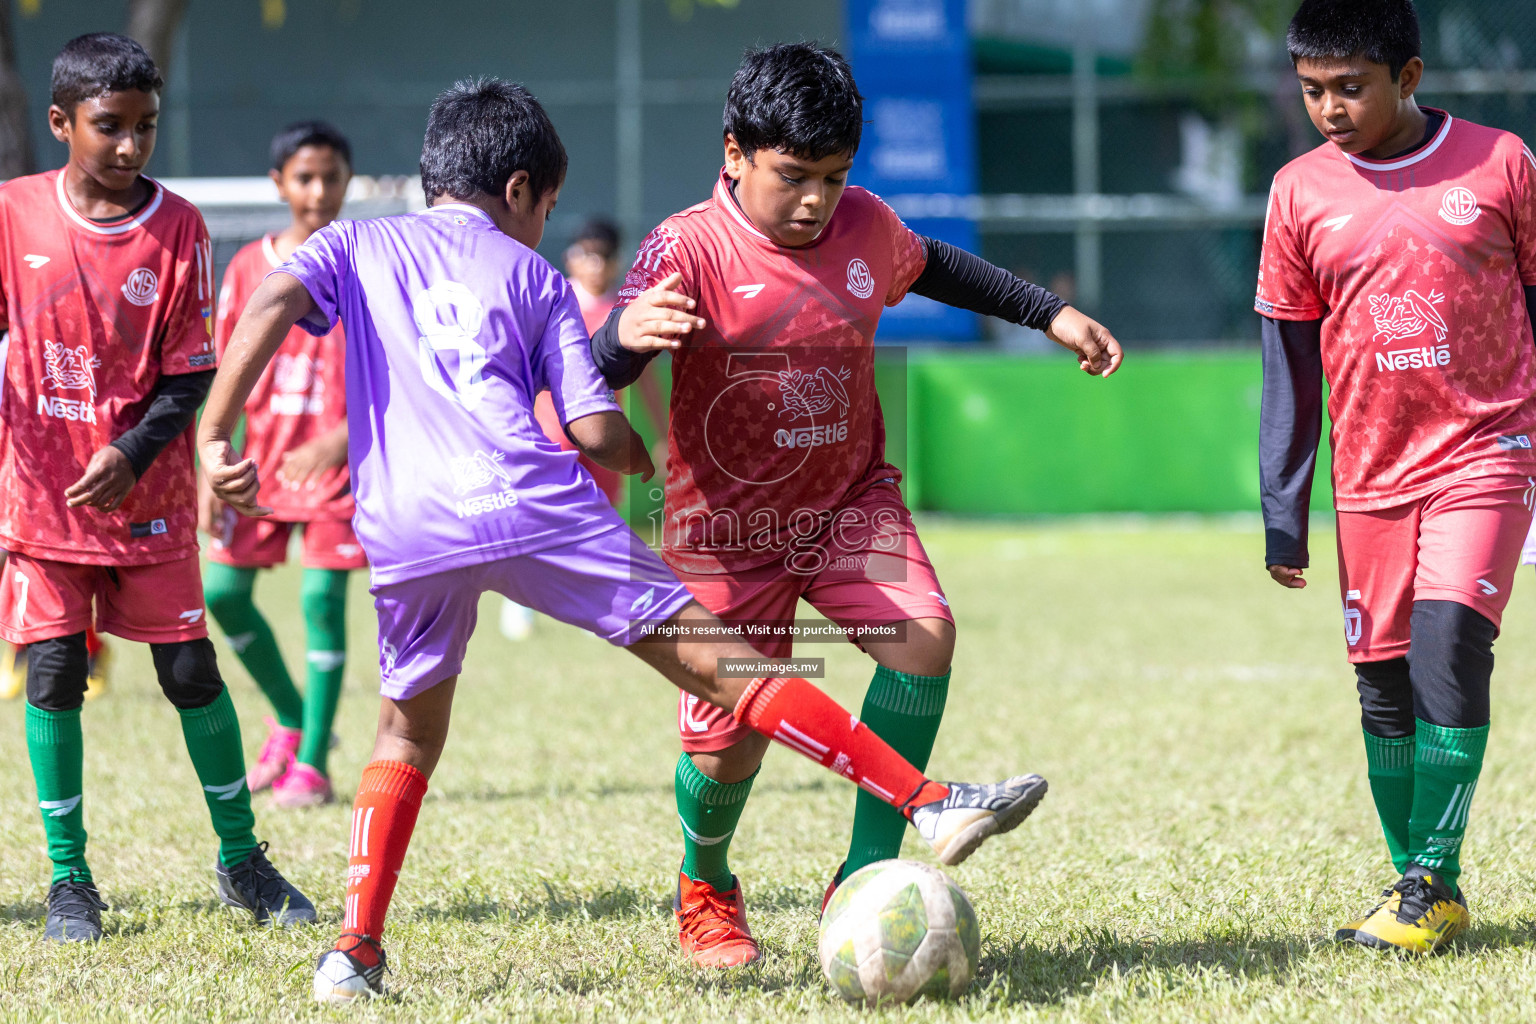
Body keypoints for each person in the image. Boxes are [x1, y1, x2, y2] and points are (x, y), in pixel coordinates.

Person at [198, 78, 1051, 1003]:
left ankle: (353, 951)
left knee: (404, 729)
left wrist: (215, 432)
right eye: (548, 207)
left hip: (405, 527)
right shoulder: (537, 275)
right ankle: (927, 803)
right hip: (530, 505)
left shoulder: (353, 242)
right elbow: (594, 427)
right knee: (736, 673)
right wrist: (643, 458)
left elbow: (269, 301)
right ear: (523, 191)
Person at [589, 42, 1122, 968]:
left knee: (924, 634)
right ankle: (705, 881)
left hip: (848, 505)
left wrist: (1049, 313)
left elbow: (945, 267)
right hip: (728, 531)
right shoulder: (687, 246)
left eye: (834, 179)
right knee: (725, 755)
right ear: (734, 154)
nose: (816, 202)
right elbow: (598, 368)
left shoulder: (867, 225)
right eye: (793, 177)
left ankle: (864, 874)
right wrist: (616, 339)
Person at [0, 33, 313, 943]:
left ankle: (242, 859)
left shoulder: (179, 227)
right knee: (52, 674)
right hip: (42, 501)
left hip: (150, 499)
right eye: (110, 127)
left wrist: (133, 452)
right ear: (61, 124)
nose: (131, 145)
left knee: (188, 672)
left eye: (146, 126)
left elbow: (189, 375)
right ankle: (69, 883)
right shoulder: (14, 213)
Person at [1258, 0, 1536, 955]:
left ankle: (1427, 877)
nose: (1329, 108)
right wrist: (1282, 508)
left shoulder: (1502, 163)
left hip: (1487, 449)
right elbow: (1289, 358)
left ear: (1408, 77)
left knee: (1449, 643)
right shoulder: (1297, 192)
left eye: (1351, 87)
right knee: (1382, 688)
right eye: (1312, 91)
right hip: (1369, 478)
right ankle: (1424, 882)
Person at [201, 121, 363, 807]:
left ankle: (314, 768)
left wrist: (344, 438)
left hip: (335, 470)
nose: (319, 189)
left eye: (331, 176)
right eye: (305, 176)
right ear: (279, 184)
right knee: (221, 595)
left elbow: (404, 374)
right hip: (258, 467)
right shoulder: (247, 268)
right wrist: (207, 461)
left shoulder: (367, 261)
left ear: (349, 180)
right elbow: (219, 369)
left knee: (321, 600)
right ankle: (295, 719)